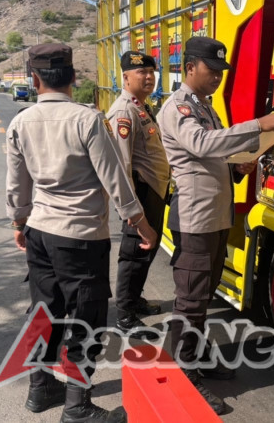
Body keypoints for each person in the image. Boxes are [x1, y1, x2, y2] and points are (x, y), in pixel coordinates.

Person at [6, 43, 157, 422]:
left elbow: (16, 184)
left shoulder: (20, 122)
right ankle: (77, 406)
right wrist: (142, 224)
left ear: (34, 79)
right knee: (87, 318)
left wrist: (19, 222)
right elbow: (115, 180)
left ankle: (40, 389)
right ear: (74, 77)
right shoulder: (87, 120)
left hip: (40, 232)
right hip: (81, 236)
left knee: (45, 312)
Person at [157, 37, 274, 414]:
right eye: (211, 71)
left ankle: (191, 356)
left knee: (203, 293)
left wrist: (237, 164)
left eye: (220, 73)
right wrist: (257, 125)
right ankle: (182, 371)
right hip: (195, 216)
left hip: (213, 213)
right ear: (189, 67)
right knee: (192, 297)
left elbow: (214, 152)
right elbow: (201, 143)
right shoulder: (179, 107)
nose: (217, 78)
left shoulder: (205, 105)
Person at [106, 51, 170, 336]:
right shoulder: (124, 111)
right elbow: (121, 166)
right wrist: (132, 211)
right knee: (133, 254)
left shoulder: (141, 107)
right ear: (125, 77)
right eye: (141, 72)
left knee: (147, 251)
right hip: (140, 195)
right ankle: (125, 316)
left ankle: (134, 299)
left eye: (151, 72)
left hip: (154, 191)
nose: (148, 77)